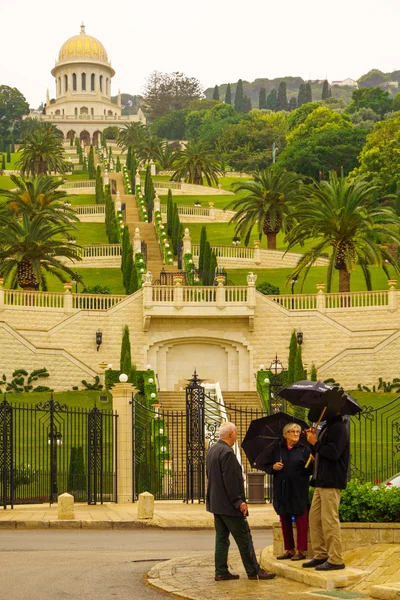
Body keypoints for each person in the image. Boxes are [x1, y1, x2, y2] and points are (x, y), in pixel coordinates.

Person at [206, 421, 276, 581]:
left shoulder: (212, 450)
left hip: (216, 504)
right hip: (229, 505)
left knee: (222, 538)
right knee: (244, 538)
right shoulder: (227, 453)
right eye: (236, 432)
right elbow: (229, 481)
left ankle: (221, 570)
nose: (237, 435)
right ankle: (253, 571)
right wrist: (239, 502)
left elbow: (212, 476)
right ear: (230, 434)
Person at [303, 412, 350, 571]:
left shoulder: (339, 428)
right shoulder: (326, 428)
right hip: (320, 481)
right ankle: (321, 554)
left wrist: (316, 443)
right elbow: (319, 452)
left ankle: (336, 559)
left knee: (329, 520)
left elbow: (334, 453)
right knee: (314, 518)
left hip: (331, 481)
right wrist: (312, 441)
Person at [263, 423, 312, 561]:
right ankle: (290, 549)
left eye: (298, 432)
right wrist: (273, 466)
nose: (296, 434)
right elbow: (266, 466)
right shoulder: (277, 449)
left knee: (301, 520)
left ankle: (301, 550)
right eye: (292, 431)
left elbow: (310, 471)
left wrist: (311, 463)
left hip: (298, 490)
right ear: (285, 434)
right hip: (282, 489)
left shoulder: (304, 449)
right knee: (284, 519)